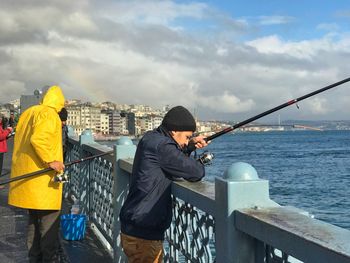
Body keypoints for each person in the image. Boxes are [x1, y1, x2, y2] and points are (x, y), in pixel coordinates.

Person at [119, 105, 209, 263]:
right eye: (187, 137)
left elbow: (170, 161)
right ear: (174, 131)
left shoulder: (151, 138)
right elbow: (195, 173)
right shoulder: (163, 147)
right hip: (144, 233)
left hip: (133, 226)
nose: (187, 140)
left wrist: (188, 146)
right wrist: (198, 160)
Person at [8, 85, 66, 263]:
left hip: (29, 180)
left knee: (33, 222)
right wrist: (51, 161)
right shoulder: (49, 114)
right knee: (49, 225)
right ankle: (49, 259)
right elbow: (38, 139)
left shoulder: (29, 112)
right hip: (44, 182)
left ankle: (34, 258)